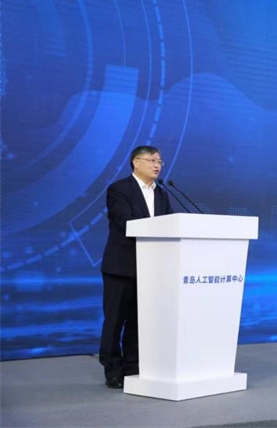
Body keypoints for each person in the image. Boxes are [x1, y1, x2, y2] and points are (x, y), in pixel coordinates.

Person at [99, 146, 173, 389]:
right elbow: (125, 222)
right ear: (135, 162)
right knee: (115, 321)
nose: (157, 165)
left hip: (151, 268)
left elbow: (171, 224)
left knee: (139, 321)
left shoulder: (162, 194)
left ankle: (133, 366)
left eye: (160, 161)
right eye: (152, 160)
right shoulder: (119, 189)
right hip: (122, 266)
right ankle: (113, 368)